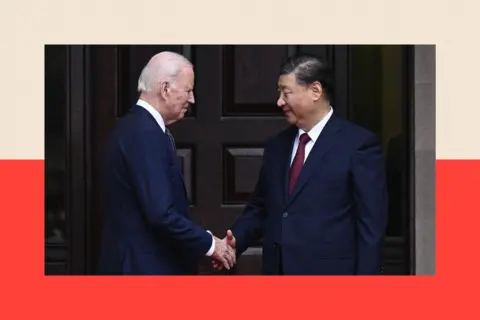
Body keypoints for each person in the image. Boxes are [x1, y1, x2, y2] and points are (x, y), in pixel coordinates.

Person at [213, 54, 388, 275]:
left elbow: (371, 225)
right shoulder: (277, 146)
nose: (279, 101)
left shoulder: (358, 144)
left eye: (286, 93)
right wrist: (231, 245)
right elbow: (260, 207)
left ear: (315, 91)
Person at [98, 51, 235, 275]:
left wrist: (204, 241)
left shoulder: (137, 127)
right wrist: (211, 245)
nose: (192, 99)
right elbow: (160, 214)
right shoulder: (144, 133)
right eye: (188, 91)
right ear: (165, 89)